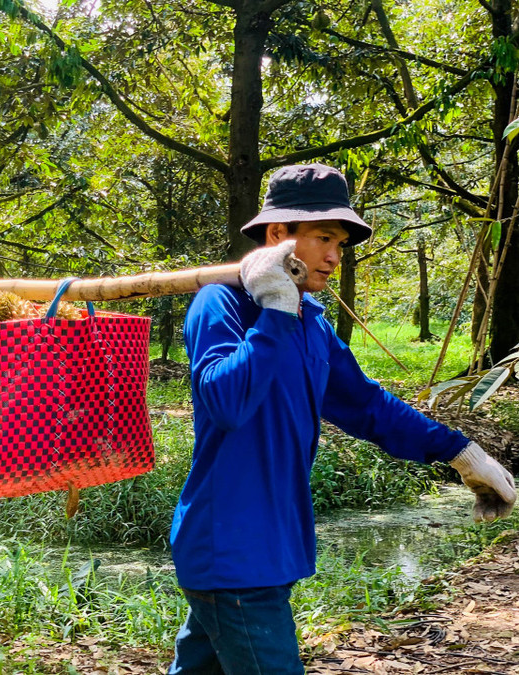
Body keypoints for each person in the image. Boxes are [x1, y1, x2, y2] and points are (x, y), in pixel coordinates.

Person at [169, 163, 517, 675]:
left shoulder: (311, 323)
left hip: (272, 544)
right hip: (233, 549)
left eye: (340, 242)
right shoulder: (220, 304)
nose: (334, 256)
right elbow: (227, 403)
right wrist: (275, 311)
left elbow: (368, 406)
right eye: (323, 238)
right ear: (277, 235)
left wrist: (461, 452)